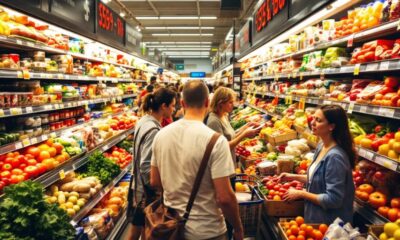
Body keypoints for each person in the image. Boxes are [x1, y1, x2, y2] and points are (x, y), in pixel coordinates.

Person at [150, 80, 244, 240]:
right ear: (207, 102)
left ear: (181, 103)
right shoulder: (216, 141)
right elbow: (225, 198)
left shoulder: (160, 136)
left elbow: (154, 181)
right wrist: (238, 228)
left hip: (171, 227)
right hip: (208, 230)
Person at [279, 105, 355, 224]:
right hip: (316, 219)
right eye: (313, 118)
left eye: (318, 120)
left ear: (331, 126)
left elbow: (333, 200)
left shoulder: (335, 157)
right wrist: (293, 176)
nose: (312, 123)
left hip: (330, 225)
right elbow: (319, 180)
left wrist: (301, 193)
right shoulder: (321, 146)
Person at [126, 87, 177, 240]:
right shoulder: (153, 129)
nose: (174, 110)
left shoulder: (144, 121)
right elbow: (146, 165)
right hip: (145, 193)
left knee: (144, 230)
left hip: (137, 187)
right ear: (164, 106)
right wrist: (159, 188)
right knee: (135, 233)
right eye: (173, 105)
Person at [207, 87, 259, 166]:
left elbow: (231, 136)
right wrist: (244, 135)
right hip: (222, 167)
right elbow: (223, 147)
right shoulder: (214, 121)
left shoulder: (223, 116)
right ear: (221, 103)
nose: (233, 105)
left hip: (230, 163)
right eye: (230, 102)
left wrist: (245, 127)